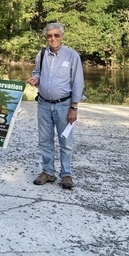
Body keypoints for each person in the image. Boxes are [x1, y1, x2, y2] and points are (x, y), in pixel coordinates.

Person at [27, 23, 84, 190]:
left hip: (64, 105)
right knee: (45, 140)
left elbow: (78, 82)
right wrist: (35, 78)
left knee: (65, 141)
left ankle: (66, 174)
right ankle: (48, 172)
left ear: (62, 36)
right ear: (46, 37)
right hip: (44, 103)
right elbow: (37, 72)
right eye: (49, 36)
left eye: (56, 35)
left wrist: (74, 107)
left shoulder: (72, 56)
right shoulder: (42, 53)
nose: (53, 38)